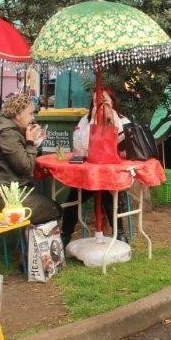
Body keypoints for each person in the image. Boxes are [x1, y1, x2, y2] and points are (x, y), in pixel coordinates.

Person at [61, 89, 131, 246]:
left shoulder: (123, 120)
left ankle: (119, 233)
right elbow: (80, 147)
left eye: (104, 101)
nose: (100, 105)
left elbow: (126, 147)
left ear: (113, 102)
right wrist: (93, 121)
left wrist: (112, 121)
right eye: (96, 102)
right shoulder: (85, 121)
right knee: (74, 195)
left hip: (114, 175)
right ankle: (65, 235)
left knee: (107, 190)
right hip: (89, 175)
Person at [0, 92, 61, 225]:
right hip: (2, 196)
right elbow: (26, 168)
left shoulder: (9, 128)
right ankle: (25, 244)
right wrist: (30, 143)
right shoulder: (7, 134)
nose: (32, 117)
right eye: (30, 113)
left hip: (6, 190)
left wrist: (35, 141)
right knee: (54, 209)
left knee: (48, 204)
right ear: (17, 115)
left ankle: (23, 242)